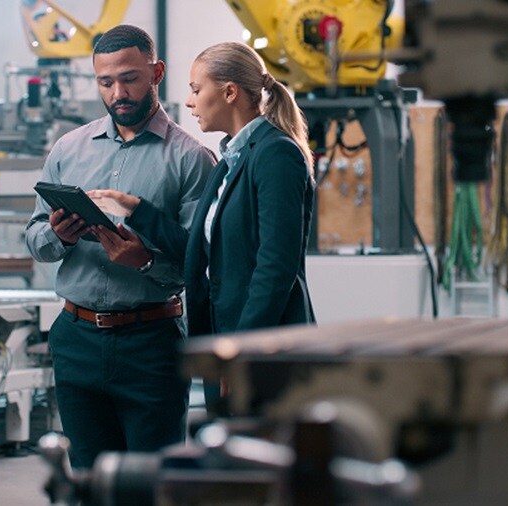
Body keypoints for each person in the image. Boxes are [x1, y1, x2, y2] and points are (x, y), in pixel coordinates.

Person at [24, 25, 216, 469]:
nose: (118, 94)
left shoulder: (191, 160)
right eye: (105, 82)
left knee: (150, 482)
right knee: (88, 479)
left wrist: (145, 261)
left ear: (156, 73)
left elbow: (200, 264)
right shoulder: (68, 149)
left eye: (129, 79)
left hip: (151, 344)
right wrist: (59, 235)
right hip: (76, 339)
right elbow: (35, 239)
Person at [90, 41, 316, 402]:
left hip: (262, 348)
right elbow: (199, 253)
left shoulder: (276, 154)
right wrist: (135, 209)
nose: (189, 102)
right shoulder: (229, 160)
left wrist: (241, 351)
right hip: (223, 340)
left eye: (196, 89)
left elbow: (276, 267)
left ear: (229, 92)